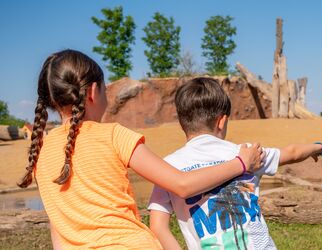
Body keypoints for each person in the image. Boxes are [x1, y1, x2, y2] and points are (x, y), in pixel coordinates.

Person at [18, 50, 264, 249]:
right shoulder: (113, 135)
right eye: (106, 89)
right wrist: (241, 163)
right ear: (93, 92)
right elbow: (181, 184)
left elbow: (57, 229)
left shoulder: (41, 152)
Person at [148, 77, 322, 250]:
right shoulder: (248, 153)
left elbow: (158, 226)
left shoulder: (167, 168)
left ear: (181, 123)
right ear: (222, 121)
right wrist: (318, 147)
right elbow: (293, 153)